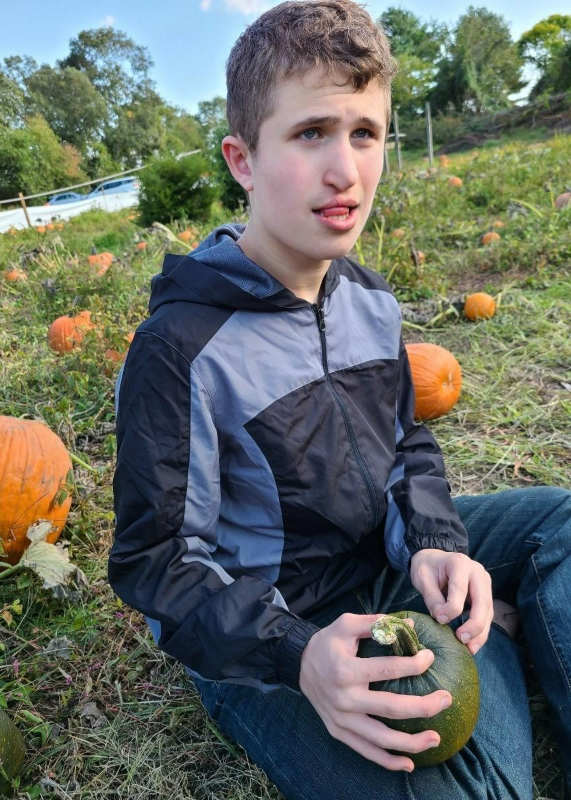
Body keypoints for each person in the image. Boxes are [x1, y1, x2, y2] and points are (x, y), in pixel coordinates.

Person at [108, 1, 571, 797]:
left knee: (559, 520)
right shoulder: (178, 349)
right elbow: (157, 565)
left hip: (391, 574)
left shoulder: (370, 300)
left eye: (366, 133)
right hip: (278, 642)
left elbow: (407, 444)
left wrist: (433, 539)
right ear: (242, 159)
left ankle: (493, 640)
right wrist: (296, 655)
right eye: (311, 133)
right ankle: (491, 650)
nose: (346, 170)